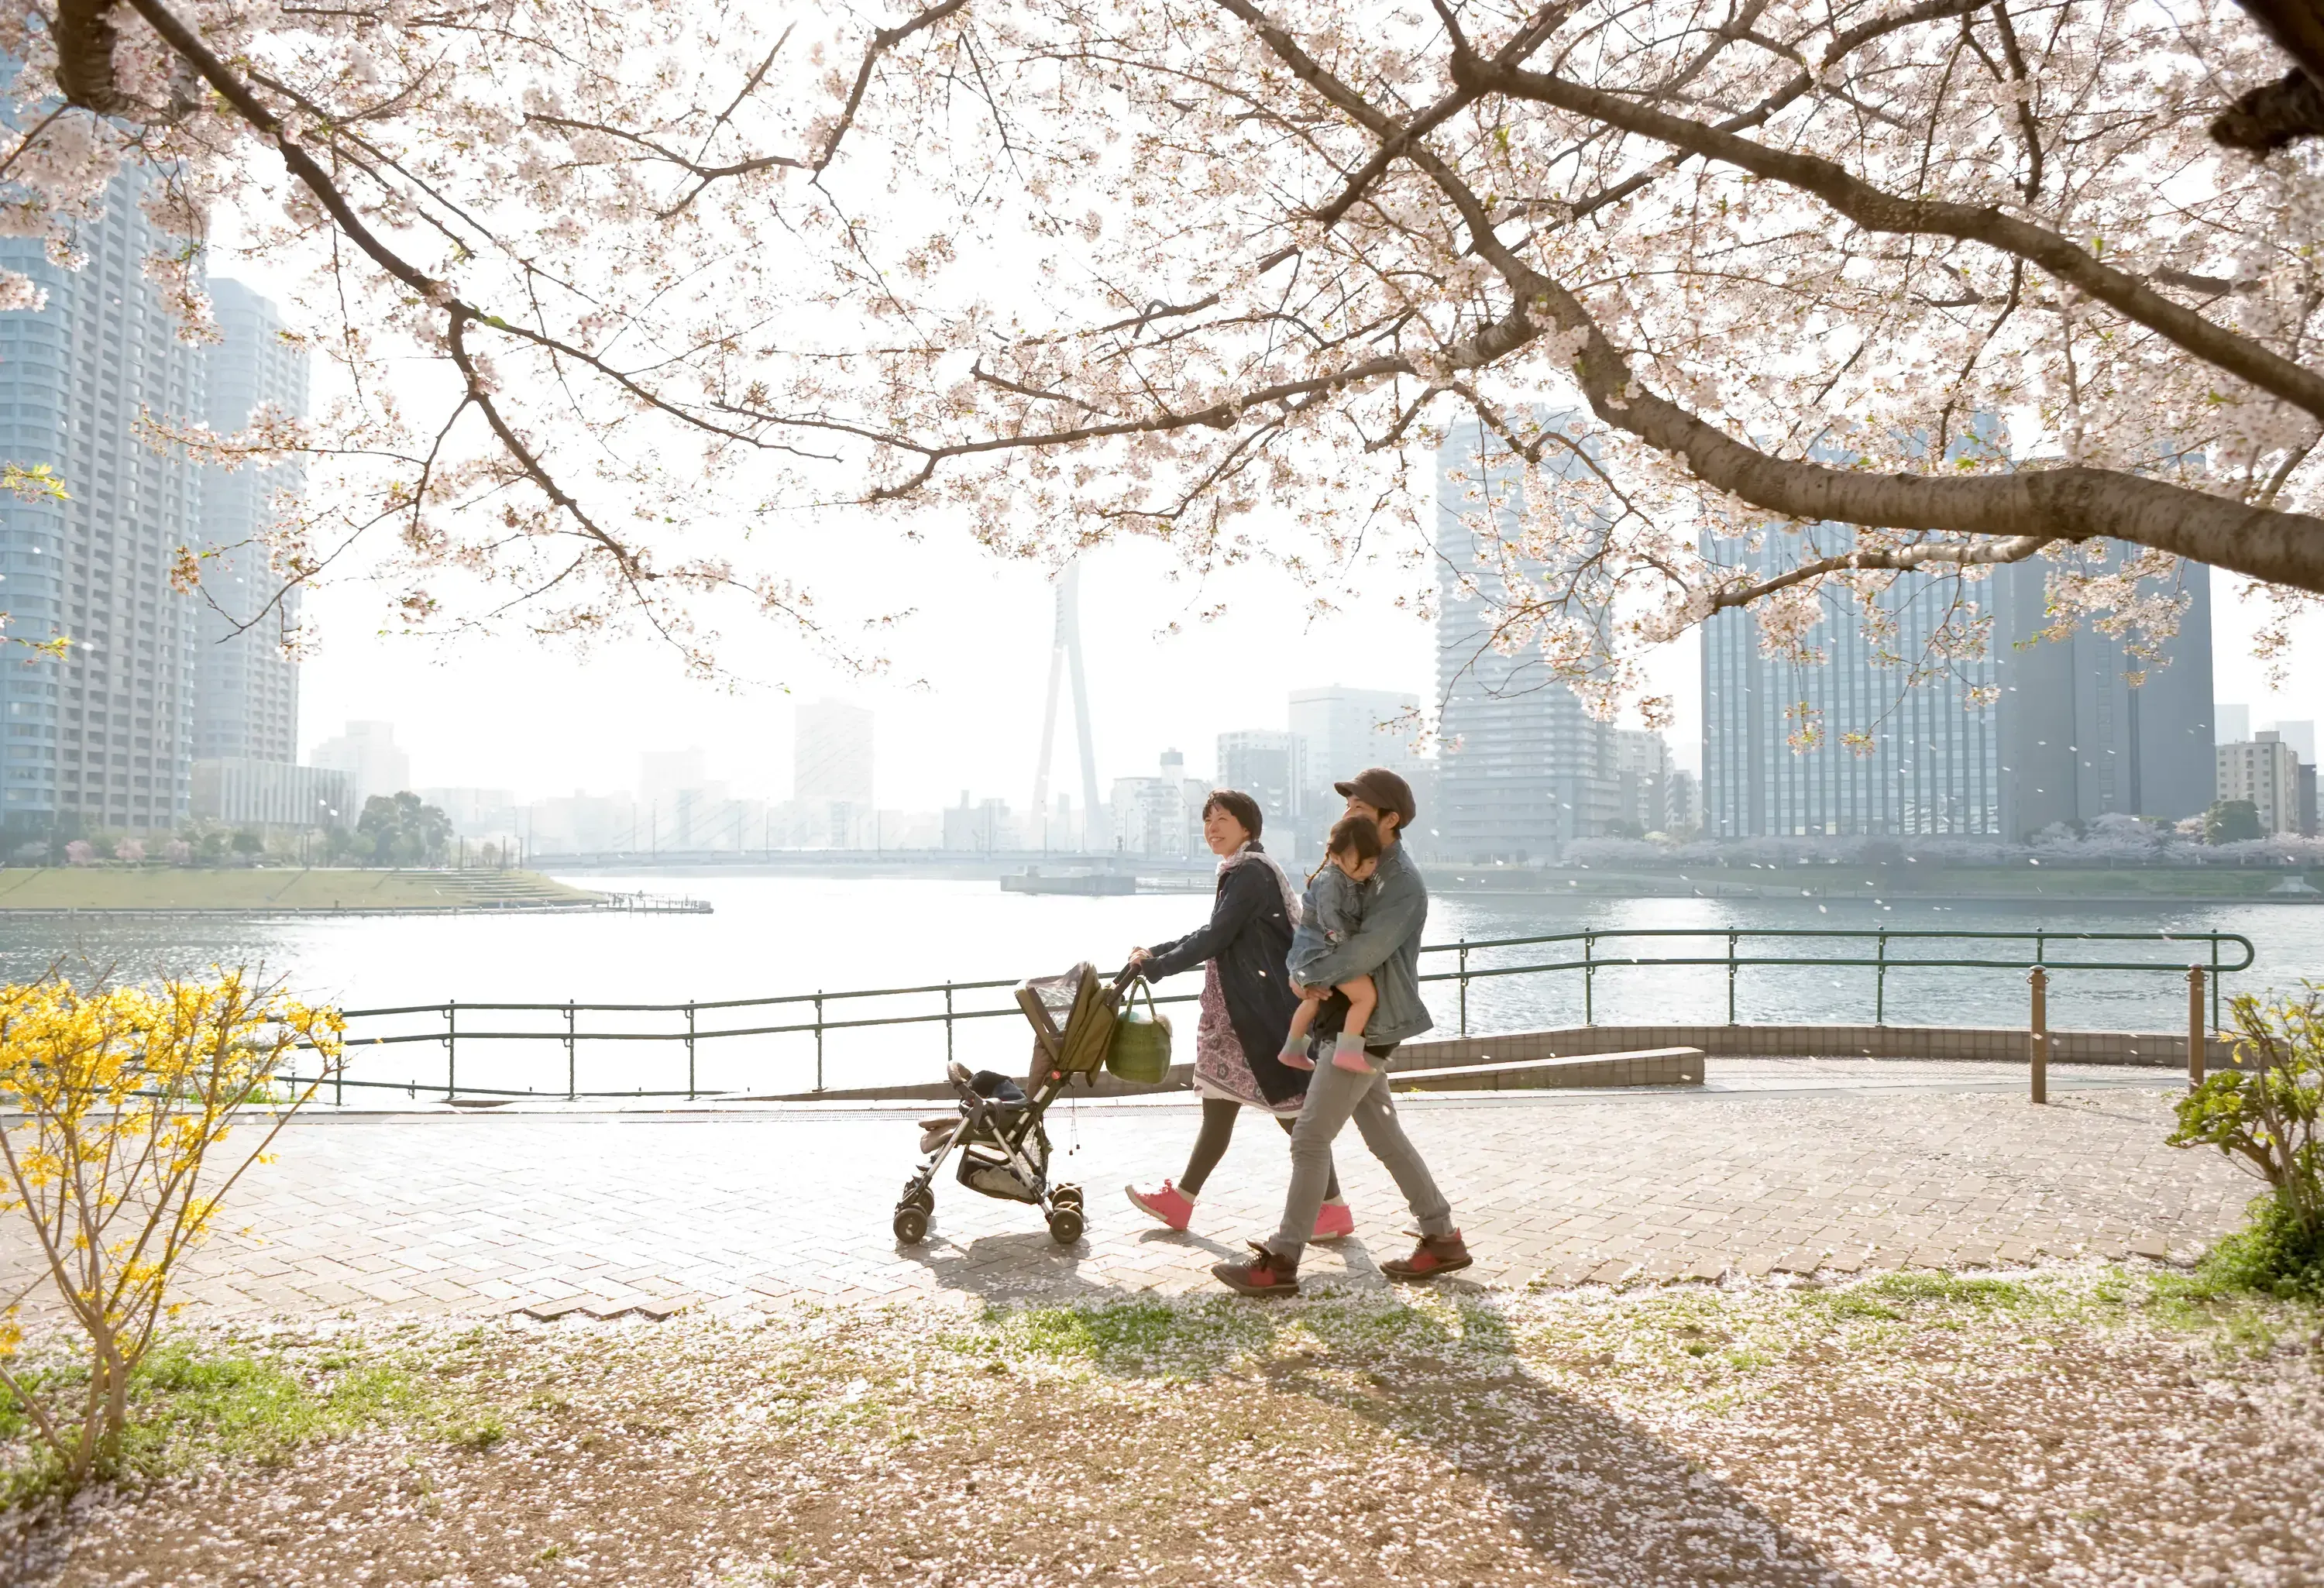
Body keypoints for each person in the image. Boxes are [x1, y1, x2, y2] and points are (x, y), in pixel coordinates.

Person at [1212, 767, 1470, 1297]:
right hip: (1344, 1017)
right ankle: (1442, 1237)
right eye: (1348, 804)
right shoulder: (1348, 864)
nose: (1348, 811)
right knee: (1385, 1137)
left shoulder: (1401, 885)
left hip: (1371, 1024)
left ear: (1390, 819)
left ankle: (1282, 1260)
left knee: (1309, 1137)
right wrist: (1304, 969)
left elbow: (1361, 954)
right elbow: (1313, 926)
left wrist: (1305, 975)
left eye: (1359, 806)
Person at [1120, 789, 1353, 1242]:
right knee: (1222, 1108)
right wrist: (1158, 952)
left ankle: (1332, 1207)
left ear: (1247, 827)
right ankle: (1181, 1200)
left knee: (1291, 1112)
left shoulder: (1249, 873)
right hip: (1245, 1012)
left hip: (1260, 1014)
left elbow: (1218, 935)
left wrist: (1160, 966)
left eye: (1223, 819)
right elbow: (1215, 930)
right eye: (1207, 820)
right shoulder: (1243, 871)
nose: (1212, 828)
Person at [1276, 813, 1382, 1075]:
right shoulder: (1332, 880)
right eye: (1360, 863)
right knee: (1365, 996)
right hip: (1323, 952)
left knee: (1314, 1001)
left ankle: (1292, 1049)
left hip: (1312, 954)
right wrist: (1352, 952)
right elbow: (1330, 919)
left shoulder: (1343, 877)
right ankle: (1347, 1052)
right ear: (1336, 856)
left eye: (1371, 861)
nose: (1367, 869)